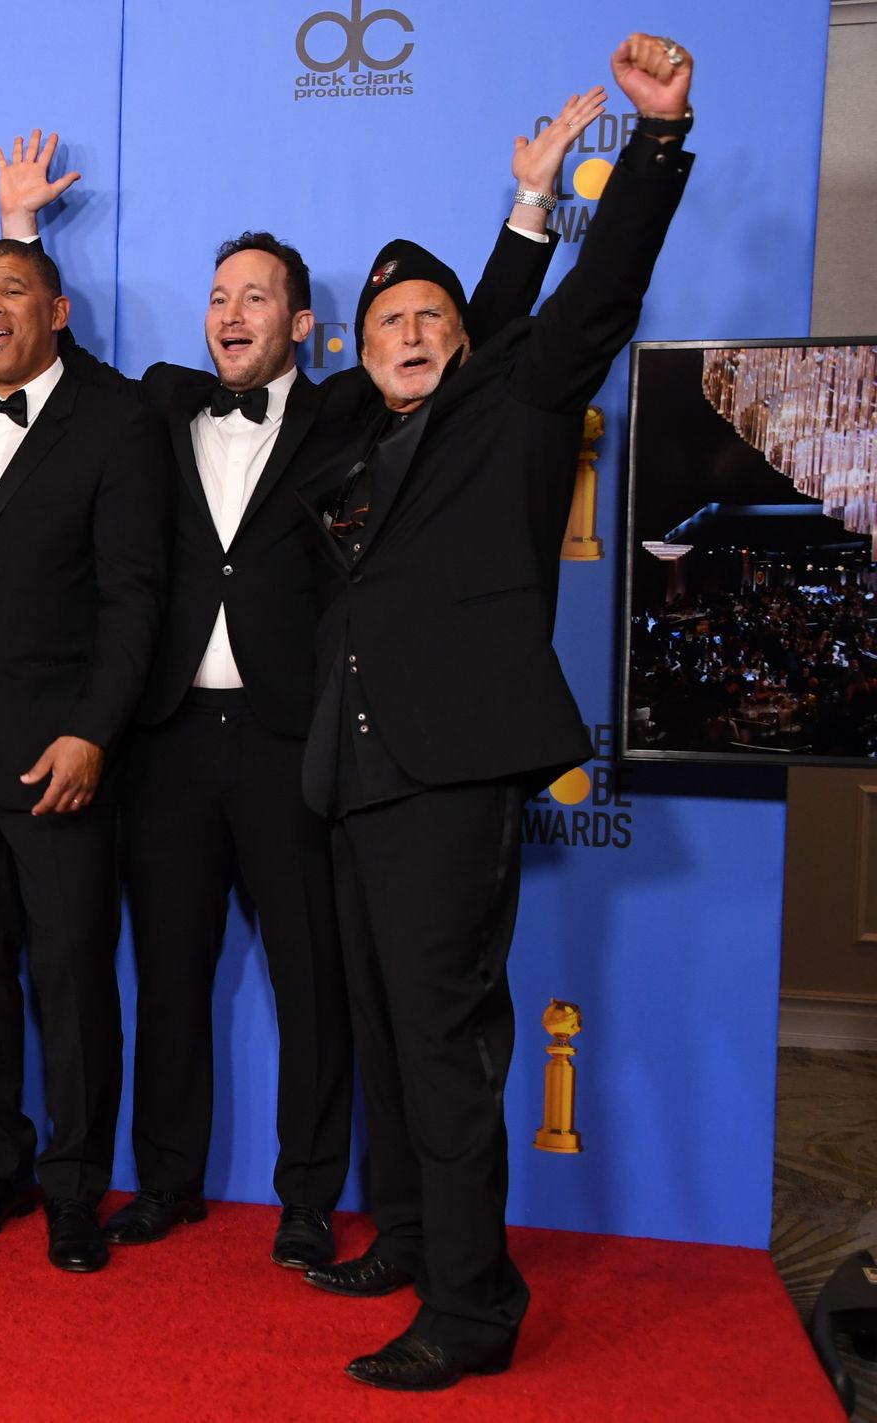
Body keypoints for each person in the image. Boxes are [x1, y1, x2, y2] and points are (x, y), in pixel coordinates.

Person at [0, 97, 601, 1270]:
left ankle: (310, 1199)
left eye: (255, 297)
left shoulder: (348, 409)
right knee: (168, 975)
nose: (230, 315)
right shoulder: (158, 401)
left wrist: (527, 211)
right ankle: (165, 1180)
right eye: (218, 297)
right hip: (167, 738)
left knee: (317, 986)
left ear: (305, 323)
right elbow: (47, 369)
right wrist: (21, 227)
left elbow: (466, 356)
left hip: (295, 737)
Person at [294, 34, 695, 1390]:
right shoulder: (350, 433)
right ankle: (406, 1234)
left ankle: (472, 1306)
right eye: (385, 323)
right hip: (349, 775)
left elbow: (594, 299)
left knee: (446, 1048)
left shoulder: (514, 408)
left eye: (432, 323)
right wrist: (499, 235)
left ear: (471, 343)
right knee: (390, 1035)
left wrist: (636, 153)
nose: (407, 338)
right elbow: (393, 369)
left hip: (450, 772)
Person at [0, 239, 172, 1273]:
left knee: (68, 981)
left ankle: (72, 1186)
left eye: (10, 292)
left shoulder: (116, 423)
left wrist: (93, 730)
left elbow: (134, 595)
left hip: (58, 753)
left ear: (56, 309)